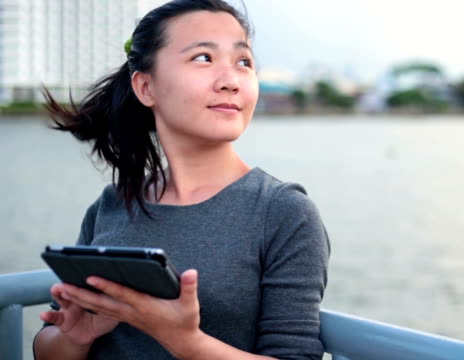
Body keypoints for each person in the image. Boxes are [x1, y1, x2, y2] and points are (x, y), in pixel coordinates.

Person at [32, 0, 330, 359]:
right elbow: (49, 345)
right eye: (203, 58)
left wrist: (183, 340)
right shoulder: (112, 205)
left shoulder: (283, 212)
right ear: (146, 87)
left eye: (244, 62)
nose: (231, 81)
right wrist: (75, 337)